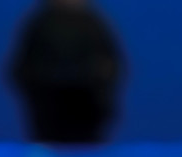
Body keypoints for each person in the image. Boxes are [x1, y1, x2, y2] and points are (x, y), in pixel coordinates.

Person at [7, 0, 124, 144]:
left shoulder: (93, 24)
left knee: (85, 153)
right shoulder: (41, 23)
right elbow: (21, 68)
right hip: (49, 108)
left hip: (86, 108)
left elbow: (112, 65)